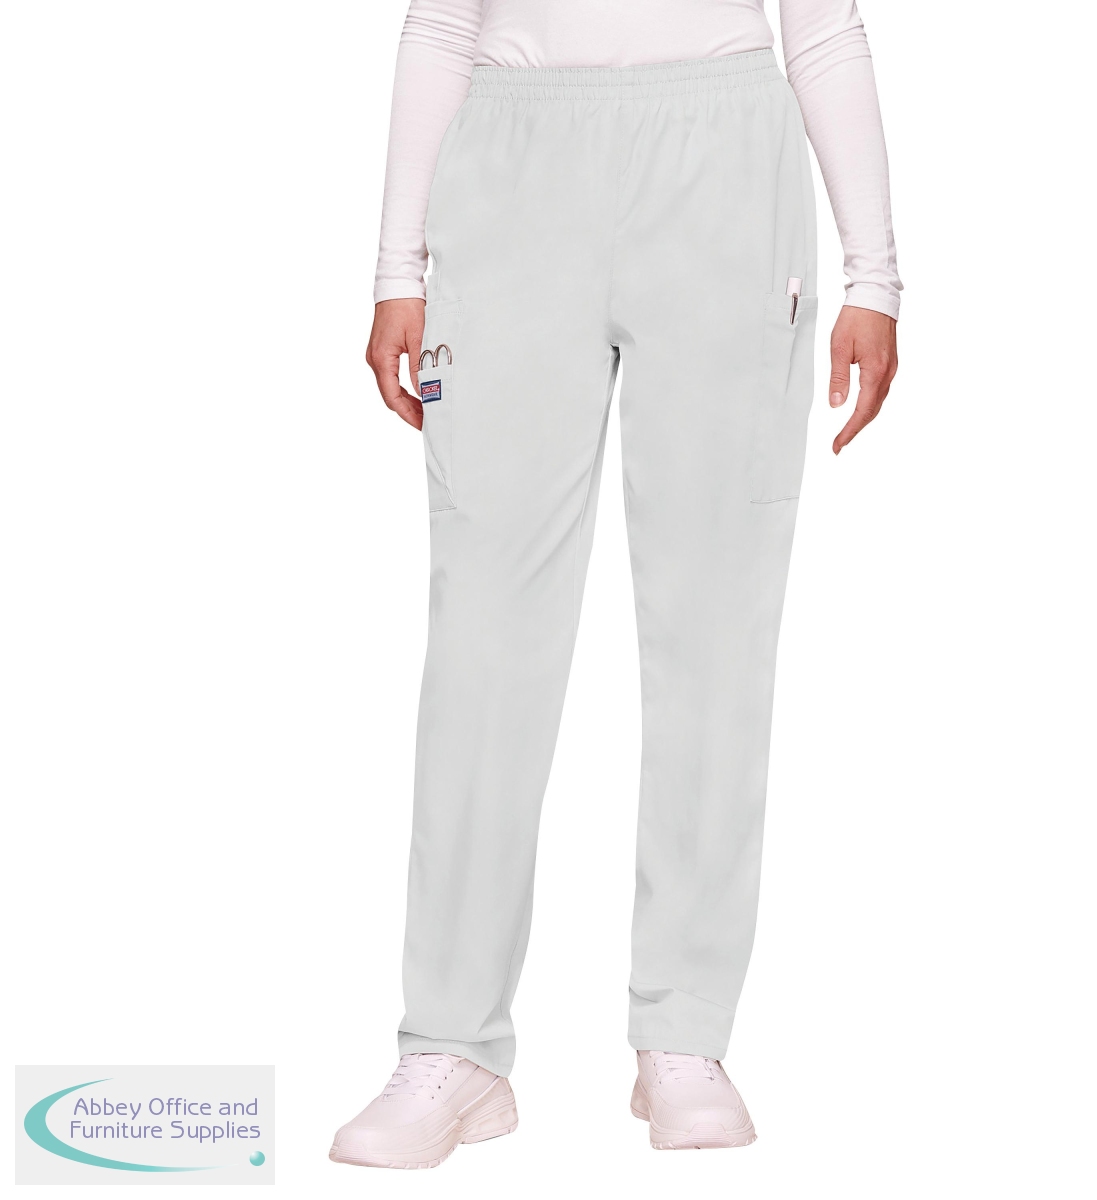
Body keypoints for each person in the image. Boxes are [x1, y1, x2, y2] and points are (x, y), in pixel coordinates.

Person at [331, 0, 901, 1169]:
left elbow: (824, 25)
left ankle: (684, 1030)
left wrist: (875, 274)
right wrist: (396, 265)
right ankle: (452, 1044)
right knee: (484, 626)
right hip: (512, 163)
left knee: (716, 617)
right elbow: (440, 20)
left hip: (727, 164)